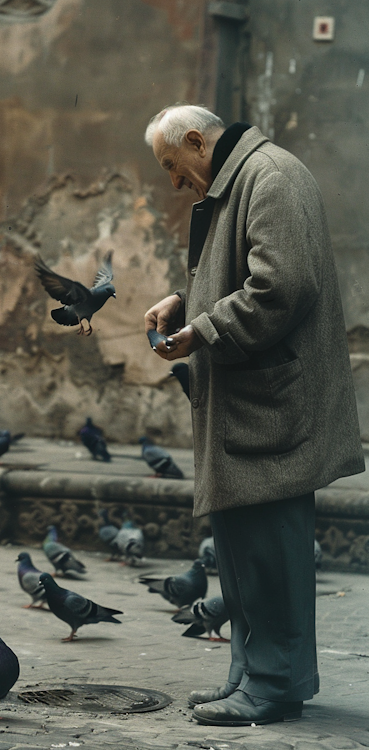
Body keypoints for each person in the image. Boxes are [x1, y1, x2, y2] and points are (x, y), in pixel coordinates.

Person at [144, 104, 365, 726]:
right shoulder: (241, 179)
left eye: (171, 164)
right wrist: (184, 300)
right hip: (252, 407)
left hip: (272, 413)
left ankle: (273, 684)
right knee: (243, 554)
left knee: (270, 555)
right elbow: (243, 276)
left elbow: (281, 287)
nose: (173, 180)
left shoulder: (271, 176)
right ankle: (252, 673)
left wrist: (203, 328)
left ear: (196, 139)